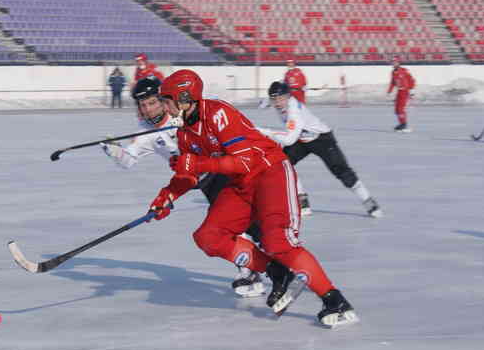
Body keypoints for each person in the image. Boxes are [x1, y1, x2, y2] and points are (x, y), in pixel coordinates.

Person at [147, 69, 358, 328]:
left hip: (269, 172)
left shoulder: (217, 113)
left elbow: (243, 160)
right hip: (241, 184)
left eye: (166, 100)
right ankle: (276, 271)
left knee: (277, 241)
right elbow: (190, 172)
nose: (163, 106)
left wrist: (197, 162)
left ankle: (335, 301)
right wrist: (166, 196)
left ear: (184, 98)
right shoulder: (184, 133)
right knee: (209, 237)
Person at [102, 76, 267, 297]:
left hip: (222, 168)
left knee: (242, 224)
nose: (148, 109)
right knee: (237, 225)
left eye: (152, 103)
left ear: (163, 100)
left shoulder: (181, 113)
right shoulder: (145, 134)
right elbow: (128, 160)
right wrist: (114, 151)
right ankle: (262, 266)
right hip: (200, 179)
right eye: (142, 105)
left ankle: (267, 265)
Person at [262, 81, 382, 218]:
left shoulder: (294, 111)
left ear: (288, 97)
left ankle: (368, 201)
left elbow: (289, 139)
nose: (277, 103)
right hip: (302, 139)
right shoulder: (278, 103)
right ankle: (302, 201)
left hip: (322, 139)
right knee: (282, 163)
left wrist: (263, 131)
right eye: (274, 99)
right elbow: (268, 100)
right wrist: (264, 102)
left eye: (281, 98)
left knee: (341, 171)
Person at [388, 58, 415, 132]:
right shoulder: (393, 72)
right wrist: (389, 91)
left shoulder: (404, 70)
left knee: (400, 109)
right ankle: (401, 124)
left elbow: (411, 80)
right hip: (399, 92)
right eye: (392, 62)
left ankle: (404, 125)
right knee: (396, 110)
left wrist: (412, 90)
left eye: (395, 62)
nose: (393, 64)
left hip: (405, 91)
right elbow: (393, 82)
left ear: (399, 63)